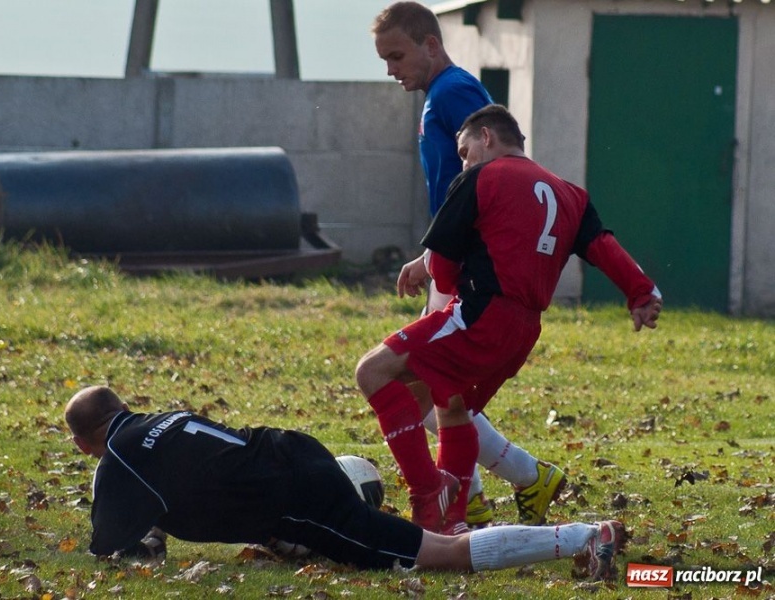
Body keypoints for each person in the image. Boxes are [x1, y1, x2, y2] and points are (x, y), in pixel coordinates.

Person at [355, 104, 662, 535]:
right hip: (522, 332)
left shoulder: (481, 178)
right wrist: (641, 292)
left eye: (464, 151)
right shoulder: (570, 194)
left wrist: (445, 285)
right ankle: (452, 522)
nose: (463, 161)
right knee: (452, 405)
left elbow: (443, 265)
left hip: (480, 315)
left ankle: (427, 492)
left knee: (371, 371)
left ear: (487, 137)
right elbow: (602, 246)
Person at [64, 384, 625, 580]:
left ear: (83, 441)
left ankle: (582, 537)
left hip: (295, 497)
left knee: (442, 554)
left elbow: (109, 547)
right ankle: (336, 509)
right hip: (292, 447)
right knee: (301, 527)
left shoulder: (117, 464)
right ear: (125, 407)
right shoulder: (165, 418)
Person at [372, 0, 565, 529]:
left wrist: (447, 253)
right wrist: (430, 253)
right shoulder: (441, 94)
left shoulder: (453, 91)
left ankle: (509, 481)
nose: (391, 70)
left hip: (470, 269)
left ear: (430, 45)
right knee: (439, 393)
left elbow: (490, 172)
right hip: (453, 258)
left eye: (397, 56)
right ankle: (479, 491)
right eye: (385, 59)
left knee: (427, 389)